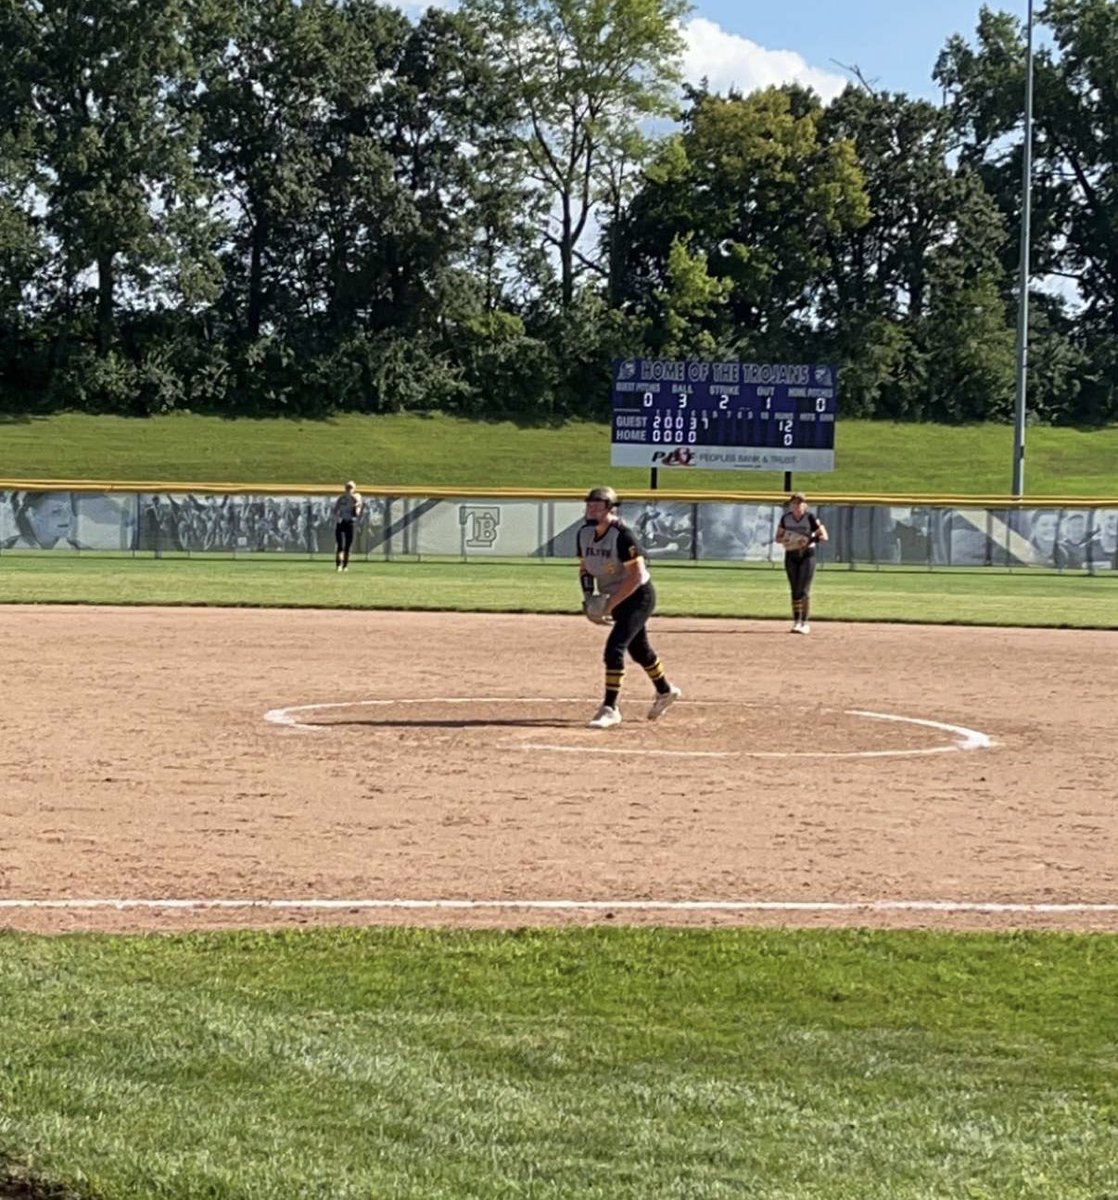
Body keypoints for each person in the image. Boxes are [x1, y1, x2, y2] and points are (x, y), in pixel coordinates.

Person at [576, 485, 682, 729]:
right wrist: (589, 597)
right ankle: (665, 690)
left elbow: (634, 577)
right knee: (639, 650)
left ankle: (610, 708)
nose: (591, 507)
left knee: (615, 648)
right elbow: (585, 567)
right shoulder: (583, 533)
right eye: (589, 503)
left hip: (638, 597)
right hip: (616, 596)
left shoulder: (623, 536)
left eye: (597, 504)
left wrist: (609, 605)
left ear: (610, 509)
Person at [774, 491, 828, 634]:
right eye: (794, 503)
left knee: (803, 589)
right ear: (790, 505)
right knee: (795, 590)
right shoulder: (786, 519)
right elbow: (778, 538)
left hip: (807, 555)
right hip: (791, 555)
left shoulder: (810, 518)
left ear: (805, 505)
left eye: (800, 503)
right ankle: (796, 621)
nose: (797, 506)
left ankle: (805, 622)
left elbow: (824, 536)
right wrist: (787, 539)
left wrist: (808, 540)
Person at [333, 481, 362, 571]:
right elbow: (335, 509)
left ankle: (345, 565)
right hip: (341, 522)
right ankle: (339, 565)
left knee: (348, 546)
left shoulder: (356, 496)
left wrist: (355, 504)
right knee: (340, 545)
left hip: (350, 522)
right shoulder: (342, 497)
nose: (348, 489)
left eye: (350, 488)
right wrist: (337, 516)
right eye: (347, 488)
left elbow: (357, 510)